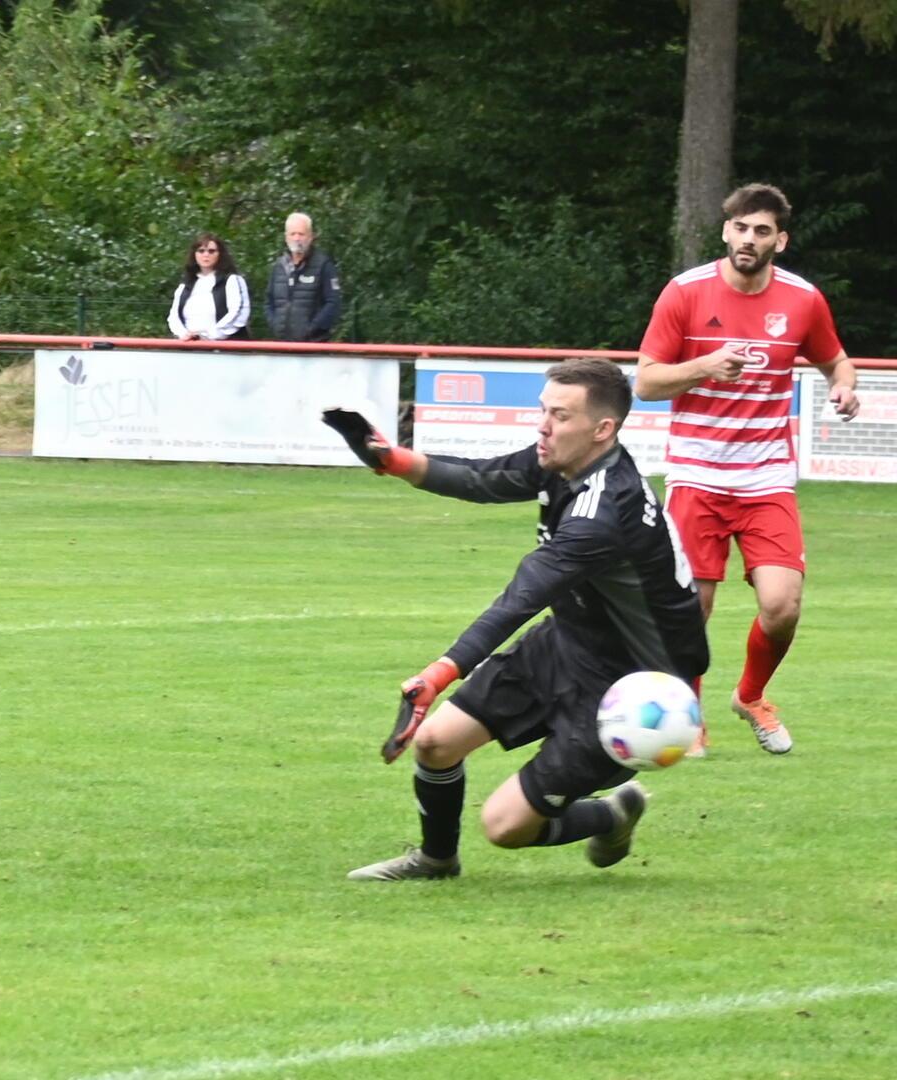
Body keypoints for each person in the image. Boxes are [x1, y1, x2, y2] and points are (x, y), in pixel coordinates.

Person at [324, 358, 709, 882]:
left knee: (504, 826)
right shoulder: (566, 461)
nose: (543, 427)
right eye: (543, 411)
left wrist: (437, 674)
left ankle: (611, 813)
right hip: (570, 641)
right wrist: (393, 460)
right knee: (436, 744)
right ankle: (436, 861)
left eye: (560, 416)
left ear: (603, 430)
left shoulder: (605, 512)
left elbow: (521, 597)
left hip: (634, 688)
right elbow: (485, 477)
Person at [634, 183, 858, 757]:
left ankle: (751, 695)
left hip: (766, 478)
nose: (749, 239)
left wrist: (845, 386)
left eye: (762, 231)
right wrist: (705, 366)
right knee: (693, 608)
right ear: (725, 232)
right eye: (741, 228)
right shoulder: (685, 293)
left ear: (779, 240)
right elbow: (648, 381)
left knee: (782, 606)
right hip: (696, 473)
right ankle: (688, 717)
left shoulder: (803, 299)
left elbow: (835, 358)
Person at [264, 212, 342, 342]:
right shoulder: (279, 266)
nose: (297, 238)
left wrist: (311, 329)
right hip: (283, 344)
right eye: (292, 234)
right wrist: (276, 325)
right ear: (286, 237)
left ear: (311, 237)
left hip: (314, 345)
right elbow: (268, 301)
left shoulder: (323, 264)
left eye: (301, 234)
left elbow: (333, 303)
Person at [166, 233, 251, 341]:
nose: (206, 255)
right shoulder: (185, 285)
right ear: (194, 254)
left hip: (225, 349)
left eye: (211, 251)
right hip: (190, 347)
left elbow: (238, 314)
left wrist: (207, 336)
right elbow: (174, 317)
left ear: (220, 254)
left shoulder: (232, 280)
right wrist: (184, 335)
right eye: (201, 251)